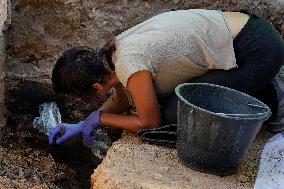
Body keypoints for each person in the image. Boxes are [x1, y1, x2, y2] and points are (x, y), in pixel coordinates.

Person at [48, 9, 284, 145]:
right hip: (243, 35)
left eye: (81, 97)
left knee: (175, 115)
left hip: (257, 52)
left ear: (97, 86)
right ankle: (257, 85)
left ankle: (274, 95)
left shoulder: (130, 64)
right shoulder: (112, 56)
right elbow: (123, 98)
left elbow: (150, 122)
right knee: (168, 104)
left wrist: (101, 119)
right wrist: (84, 122)